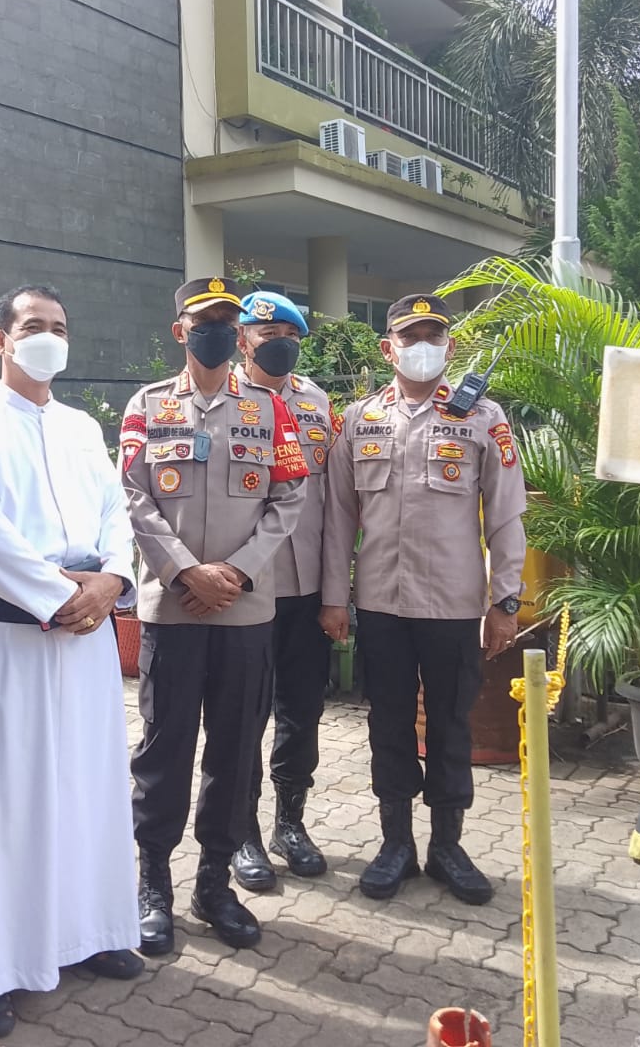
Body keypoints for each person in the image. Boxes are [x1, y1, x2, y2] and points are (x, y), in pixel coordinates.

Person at [0, 284, 143, 1040]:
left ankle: (89, 934)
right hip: (12, 638)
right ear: (0, 340)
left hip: (83, 639)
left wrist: (113, 581)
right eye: (32, 326)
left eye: (58, 326)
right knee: (5, 803)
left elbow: (117, 513)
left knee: (86, 788)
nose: (48, 337)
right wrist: (59, 596)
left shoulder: (83, 426)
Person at [320, 293, 527, 906]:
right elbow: (338, 518)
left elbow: (508, 515)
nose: (422, 347)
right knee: (386, 723)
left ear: (450, 347)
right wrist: (336, 598)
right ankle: (395, 845)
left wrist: (506, 600)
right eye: (410, 337)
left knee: (450, 723)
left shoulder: (483, 419)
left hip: (455, 605)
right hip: (381, 603)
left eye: (433, 336)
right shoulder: (359, 420)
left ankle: (447, 846)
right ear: (389, 348)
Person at [122, 277, 309, 957]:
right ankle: (153, 887)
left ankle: (213, 884)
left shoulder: (269, 409)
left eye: (230, 323)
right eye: (205, 322)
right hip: (173, 611)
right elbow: (133, 496)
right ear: (180, 331)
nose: (220, 334)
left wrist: (236, 572)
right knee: (163, 754)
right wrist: (184, 571)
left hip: (243, 611)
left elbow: (289, 498)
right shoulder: (147, 407)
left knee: (233, 753)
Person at [227, 291, 339, 891]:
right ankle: (242, 830)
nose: (278, 342)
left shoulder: (318, 404)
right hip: (248, 586)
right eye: (265, 331)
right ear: (242, 337)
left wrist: (336, 591)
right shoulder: (224, 399)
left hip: (306, 586)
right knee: (245, 711)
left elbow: (335, 501)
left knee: (303, 710)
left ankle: (289, 823)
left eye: (289, 334)